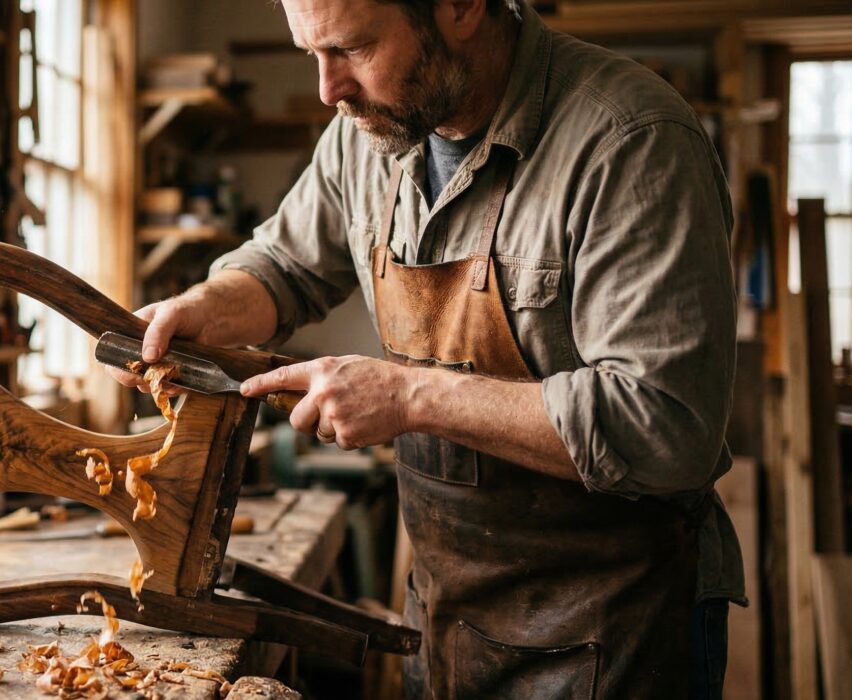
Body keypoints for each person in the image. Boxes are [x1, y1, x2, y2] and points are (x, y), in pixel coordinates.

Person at [111, 0, 744, 697]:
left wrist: (410, 395)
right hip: (447, 615)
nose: (328, 89)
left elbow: (665, 426)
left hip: (617, 629)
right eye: (311, 54)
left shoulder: (630, 139)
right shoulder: (370, 129)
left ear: (461, 7)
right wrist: (203, 308)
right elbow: (285, 266)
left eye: (352, 49)